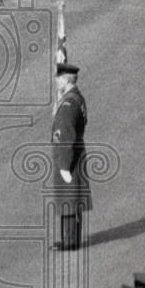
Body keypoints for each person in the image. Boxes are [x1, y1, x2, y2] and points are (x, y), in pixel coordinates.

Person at [51, 61, 90, 250]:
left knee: (69, 200)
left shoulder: (68, 104)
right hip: (76, 152)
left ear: (66, 80)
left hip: (69, 156)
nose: (56, 82)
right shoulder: (75, 98)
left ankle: (70, 241)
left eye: (59, 79)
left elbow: (65, 135)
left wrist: (64, 165)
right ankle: (69, 238)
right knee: (70, 199)